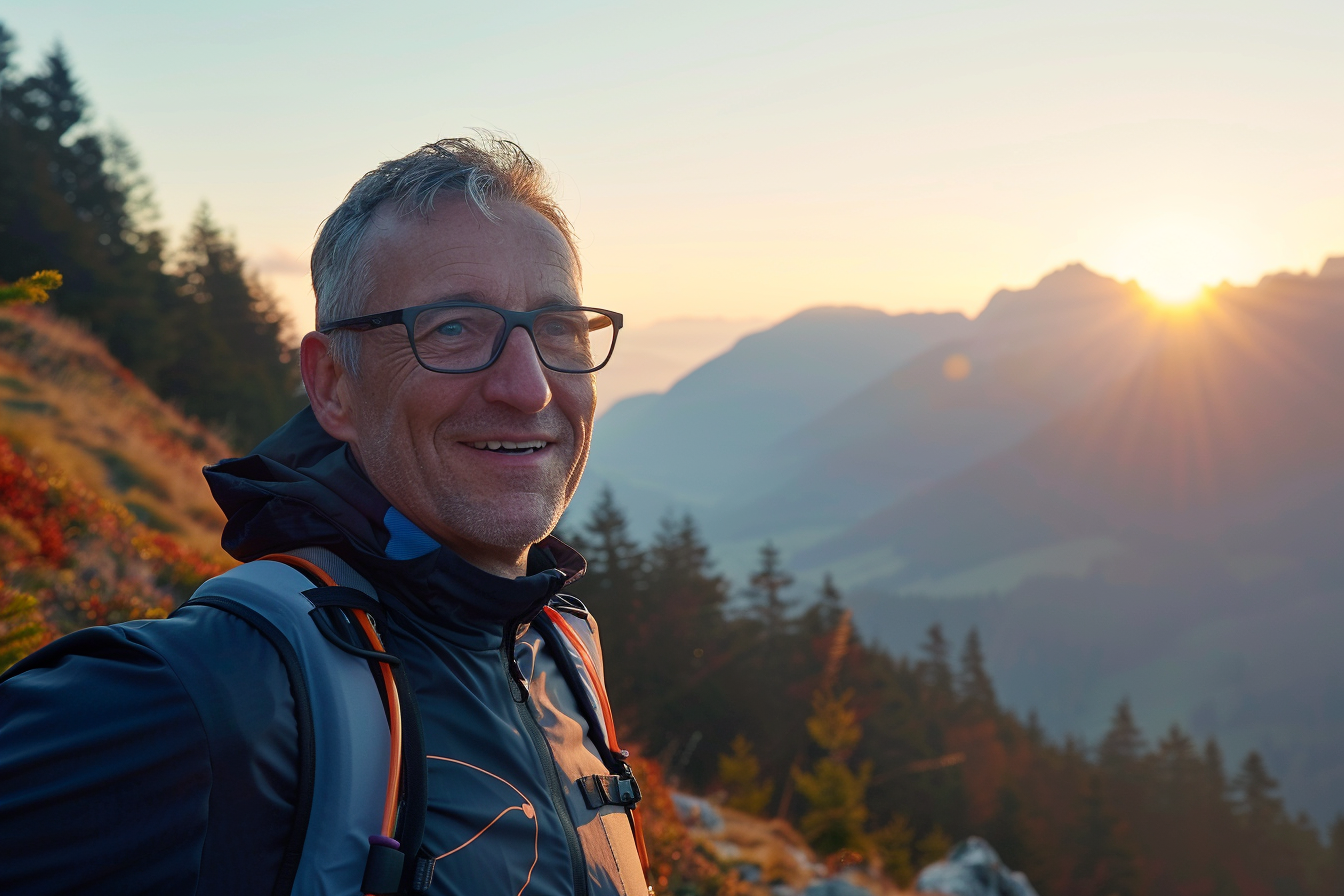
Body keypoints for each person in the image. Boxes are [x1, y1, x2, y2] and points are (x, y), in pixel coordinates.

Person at [0, 136, 646, 896]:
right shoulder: (221, 693)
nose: (529, 388)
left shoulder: (561, 647)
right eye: (452, 329)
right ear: (333, 385)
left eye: (559, 328)